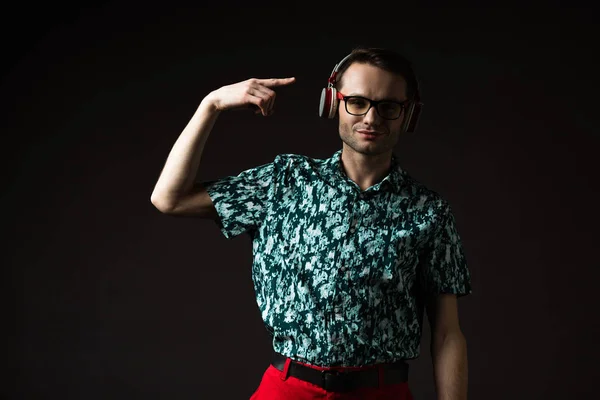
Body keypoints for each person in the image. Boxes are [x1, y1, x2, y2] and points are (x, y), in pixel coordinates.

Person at [150, 46, 472, 400]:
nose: (371, 118)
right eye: (358, 102)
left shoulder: (429, 211)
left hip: (382, 392)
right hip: (288, 389)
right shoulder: (285, 180)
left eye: (388, 106)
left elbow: (446, 334)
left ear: (408, 115)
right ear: (332, 102)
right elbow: (170, 198)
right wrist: (210, 105)